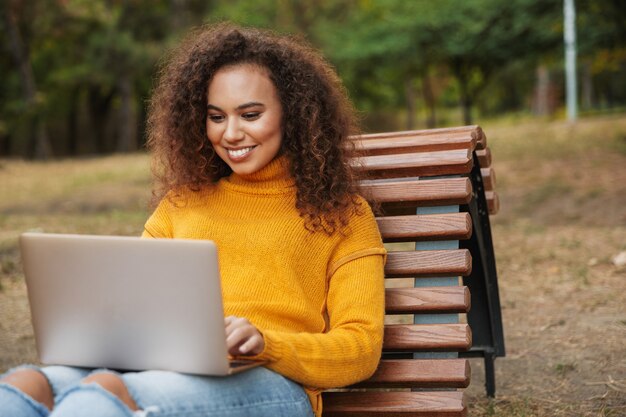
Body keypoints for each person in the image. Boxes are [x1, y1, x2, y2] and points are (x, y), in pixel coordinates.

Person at [0, 22, 386, 417]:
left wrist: (267, 343)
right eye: (216, 117)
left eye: (250, 114)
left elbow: (361, 349)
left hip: (273, 384)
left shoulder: (342, 215)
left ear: (295, 114)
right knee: (21, 386)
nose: (231, 133)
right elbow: (133, 311)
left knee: (101, 396)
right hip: (160, 371)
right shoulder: (181, 205)